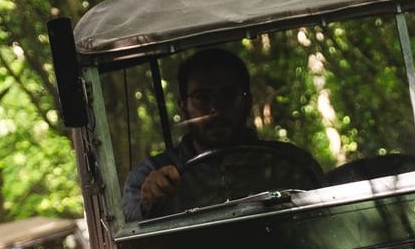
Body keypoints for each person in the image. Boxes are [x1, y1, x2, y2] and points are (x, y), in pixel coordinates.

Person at [123, 48, 323, 221]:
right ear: (183, 108)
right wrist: (151, 200)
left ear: (247, 102)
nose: (215, 109)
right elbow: (130, 225)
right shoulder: (152, 173)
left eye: (228, 96)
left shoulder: (290, 164)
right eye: (202, 98)